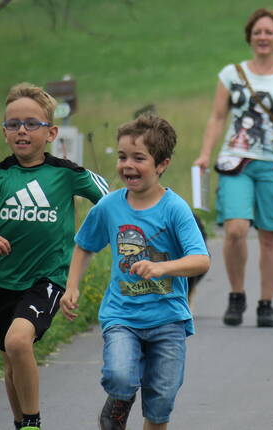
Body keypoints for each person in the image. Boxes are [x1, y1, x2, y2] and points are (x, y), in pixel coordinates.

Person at [0, 83, 109, 430]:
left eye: (31, 123)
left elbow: (110, 199)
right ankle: (21, 422)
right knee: (11, 361)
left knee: (18, 341)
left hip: (47, 279)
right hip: (2, 283)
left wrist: (112, 232)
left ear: (51, 132)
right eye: (13, 124)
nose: (21, 130)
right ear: (4, 132)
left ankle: (33, 422)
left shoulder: (67, 174)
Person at [60, 114, 210, 430]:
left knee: (161, 402)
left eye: (139, 158)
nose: (128, 165)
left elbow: (200, 260)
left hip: (168, 318)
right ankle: (120, 398)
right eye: (122, 156)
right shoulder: (109, 206)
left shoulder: (175, 208)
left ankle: (134, 397)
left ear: (162, 164)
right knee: (119, 376)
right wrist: (72, 286)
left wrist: (162, 267)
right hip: (122, 315)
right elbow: (85, 244)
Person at [192, 8, 273, 328]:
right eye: (258, 32)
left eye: (269, 32)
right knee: (236, 229)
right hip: (235, 160)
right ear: (249, 37)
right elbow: (217, 117)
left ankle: (266, 302)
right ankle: (237, 293)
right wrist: (204, 153)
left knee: (270, 237)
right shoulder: (231, 73)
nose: (263, 37)